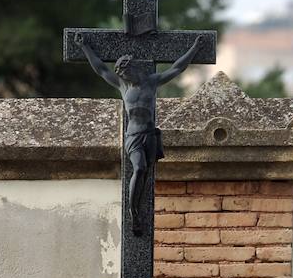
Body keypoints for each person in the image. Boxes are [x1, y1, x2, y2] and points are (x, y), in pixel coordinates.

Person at [74, 32, 202, 223]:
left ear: (134, 68)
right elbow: (101, 69)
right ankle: (133, 212)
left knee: (147, 171)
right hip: (133, 135)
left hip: (150, 135)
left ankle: (139, 209)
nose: (124, 76)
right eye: (121, 74)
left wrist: (195, 48)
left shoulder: (152, 82)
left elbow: (177, 68)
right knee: (140, 168)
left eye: (125, 72)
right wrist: (85, 47)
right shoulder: (123, 85)